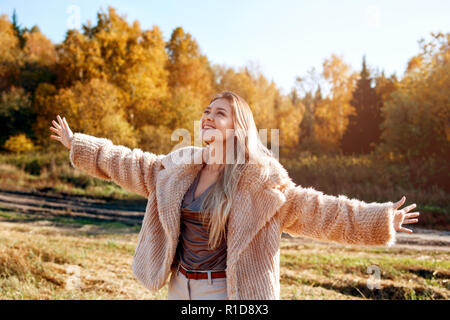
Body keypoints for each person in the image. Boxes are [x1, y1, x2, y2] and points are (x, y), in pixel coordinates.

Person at [50, 91, 420, 300]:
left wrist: (381, 218)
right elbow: (131, 163)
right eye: (206, 112)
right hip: (180, 287)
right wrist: (81, 145)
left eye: (220, 114)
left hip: (228, 292)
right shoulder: (178, 167)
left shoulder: (260, 182)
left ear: (237, 127)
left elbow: (319, 211)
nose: (208, 117)